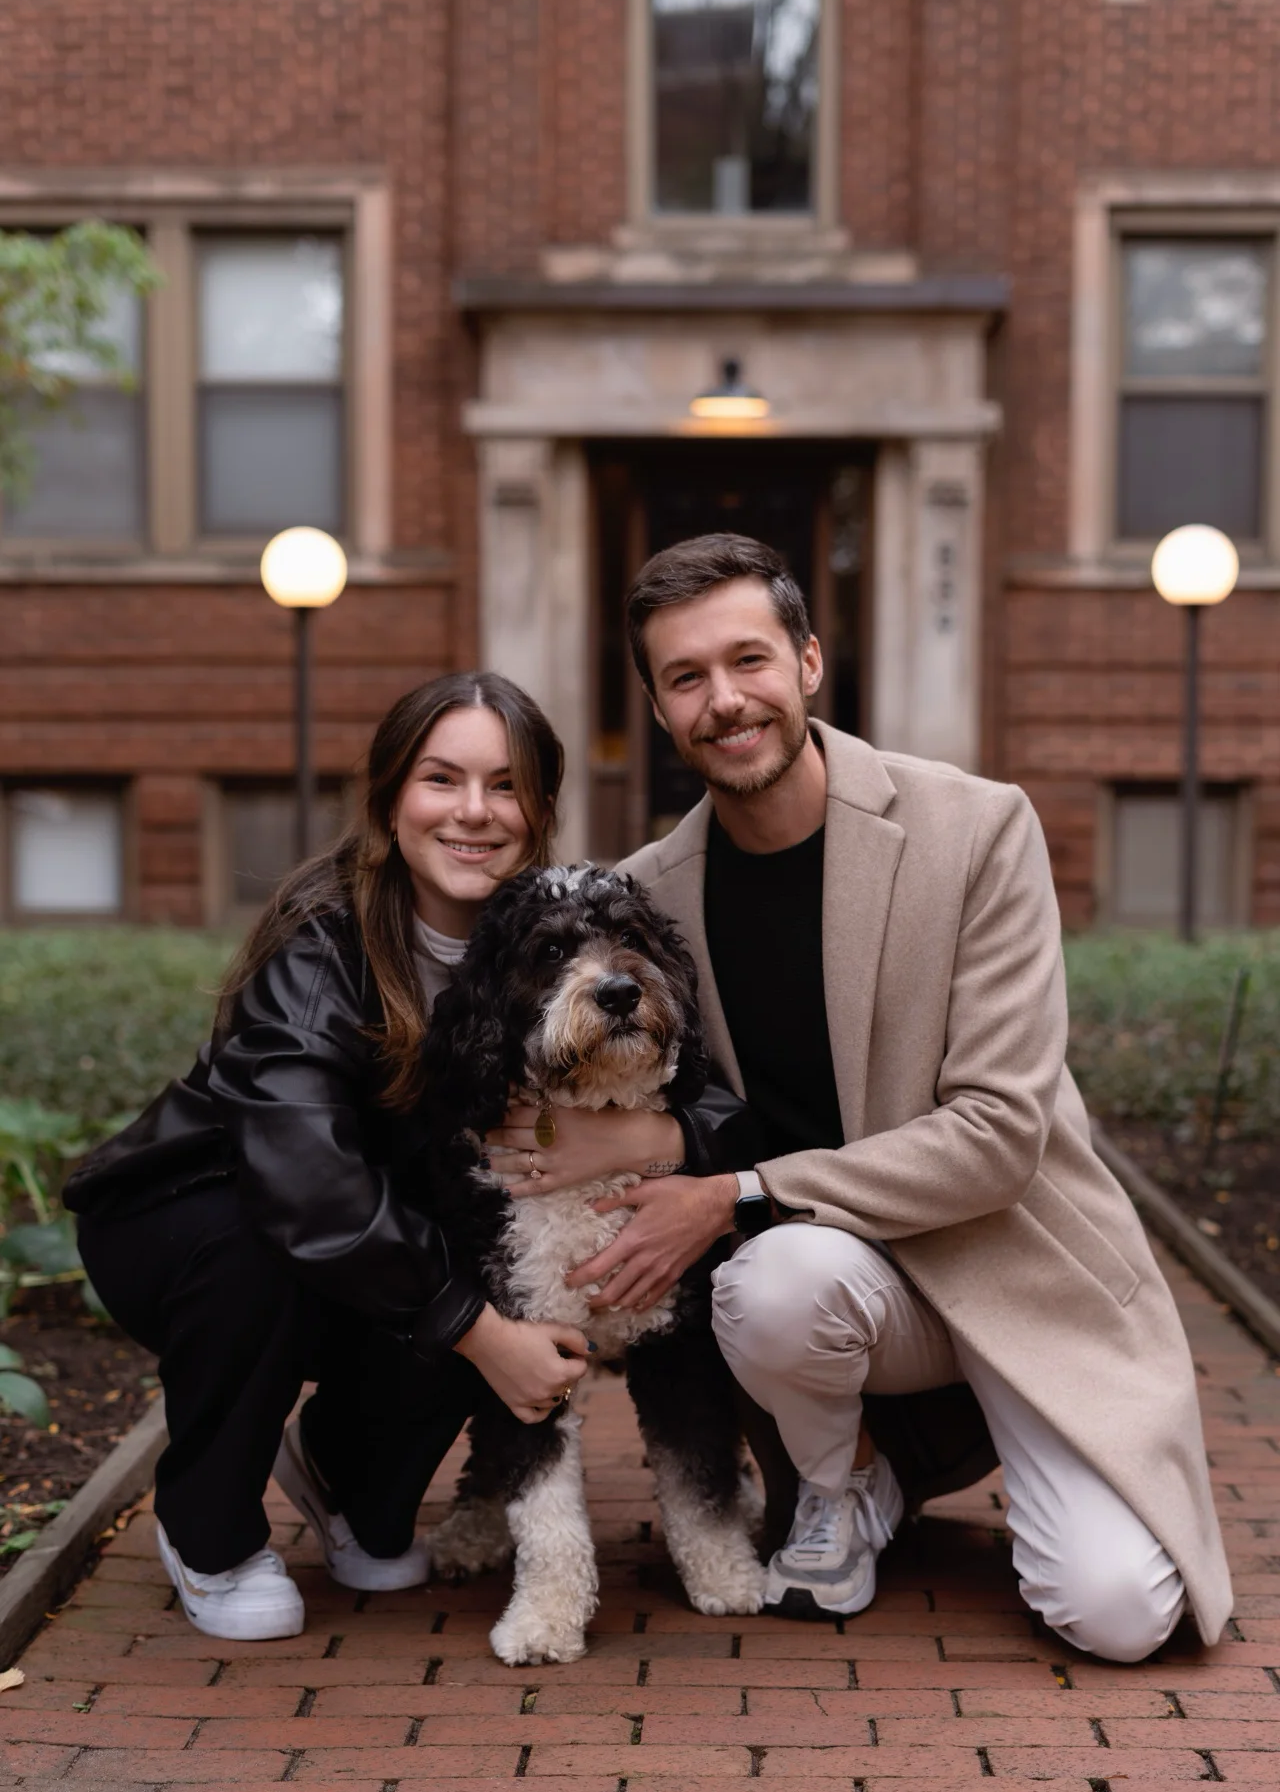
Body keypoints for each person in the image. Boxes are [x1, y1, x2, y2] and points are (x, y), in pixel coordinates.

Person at [516, 532, 1232, 1663]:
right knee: (772, 1281)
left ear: (806, 662)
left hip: (1009, 1267)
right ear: (657, 709)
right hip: (833, 1285)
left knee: (1118, 1615)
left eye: (747, 660)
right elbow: (644, 1078)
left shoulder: (976, 829)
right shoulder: (651, 896)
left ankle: (986, 1452)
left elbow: (999, 1136)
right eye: (685, 678)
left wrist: (734, 1190)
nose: (724, 701)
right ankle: (848, 1482)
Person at [65, 671, 747, 1642]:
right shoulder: (320, 948)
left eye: (504, 785)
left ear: (539, 808)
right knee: (272, 1248)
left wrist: (657, 1136)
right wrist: (481, 1333)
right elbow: (303, 1180)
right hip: (201, 1222)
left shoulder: (568, 934)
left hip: (382, 1233)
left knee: (453, 1246)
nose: (474, 811)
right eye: (441, 779)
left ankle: (349, 1474)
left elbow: (714, 1095)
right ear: (391, 799)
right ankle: (209, 1534)